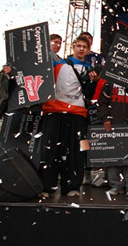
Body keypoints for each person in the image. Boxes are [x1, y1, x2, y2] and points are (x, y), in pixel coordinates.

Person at [39, 35, 98, 198]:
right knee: (50, 150)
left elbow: (89, 95)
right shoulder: (59, 63)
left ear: (88, 50)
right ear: (73, 47)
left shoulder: (90, 69)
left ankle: (72, 186)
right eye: (78, 46)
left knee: (75, 152)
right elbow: (39, 69)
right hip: (55, 111)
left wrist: (93, 82)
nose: (81, 49)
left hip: (77, 113)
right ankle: (47, 186)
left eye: (84, 47)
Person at [95, 81, 128, 195]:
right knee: (113, 154)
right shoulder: (109, 82)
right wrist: (105, 118)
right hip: (113, 124)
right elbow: (102, 102)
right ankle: (115, 185)